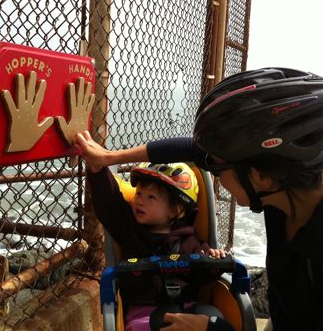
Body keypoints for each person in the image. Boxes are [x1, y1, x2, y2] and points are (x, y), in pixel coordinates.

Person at [76, 67, 323, 330]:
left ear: (260, 176)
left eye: (216, 168)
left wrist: (213, 328)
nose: (211, 172)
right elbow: (193, 149)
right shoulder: (285, 190)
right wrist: (109, 158)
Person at [86, 158, 229, 331]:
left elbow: (204, 276)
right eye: (138, 193)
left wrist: (214, 259)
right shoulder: (129, 229)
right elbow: (109, 202)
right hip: (142, 314)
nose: (140, 201)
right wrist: (97, 170)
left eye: (151, 197)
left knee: (213, 317)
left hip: (186, 309)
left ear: (174, 210)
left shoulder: (189, 239)